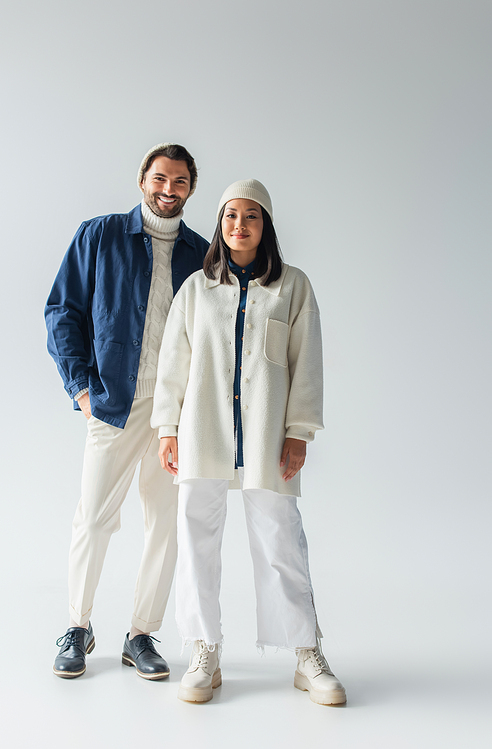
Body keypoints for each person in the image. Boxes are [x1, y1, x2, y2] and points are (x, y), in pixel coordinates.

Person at [151, 179, 347, 705]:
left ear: (266, 226)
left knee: (281, 541)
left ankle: (307, 652)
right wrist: (167, 429)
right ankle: (203, 648)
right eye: (231, 216)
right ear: (220, 223)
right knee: (196, 543)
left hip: (264, 436)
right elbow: (174, 365)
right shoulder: (195, 289)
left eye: (251, 216)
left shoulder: (294, 287)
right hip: (203, 430)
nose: (240, 225)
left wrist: (299, 431)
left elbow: (308, 365)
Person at [45, 143, 209, 680]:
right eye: (160, 178)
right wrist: (81, 388)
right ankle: (78, 625)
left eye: (179, 182)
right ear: (142, 179)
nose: (168, 190)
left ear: (190, 188)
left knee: (165, 524)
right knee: (93, 518)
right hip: (112, 404)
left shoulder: (202, 255)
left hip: (174, 417)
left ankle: (141, 633)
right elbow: (62, 311)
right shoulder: (98, 236)